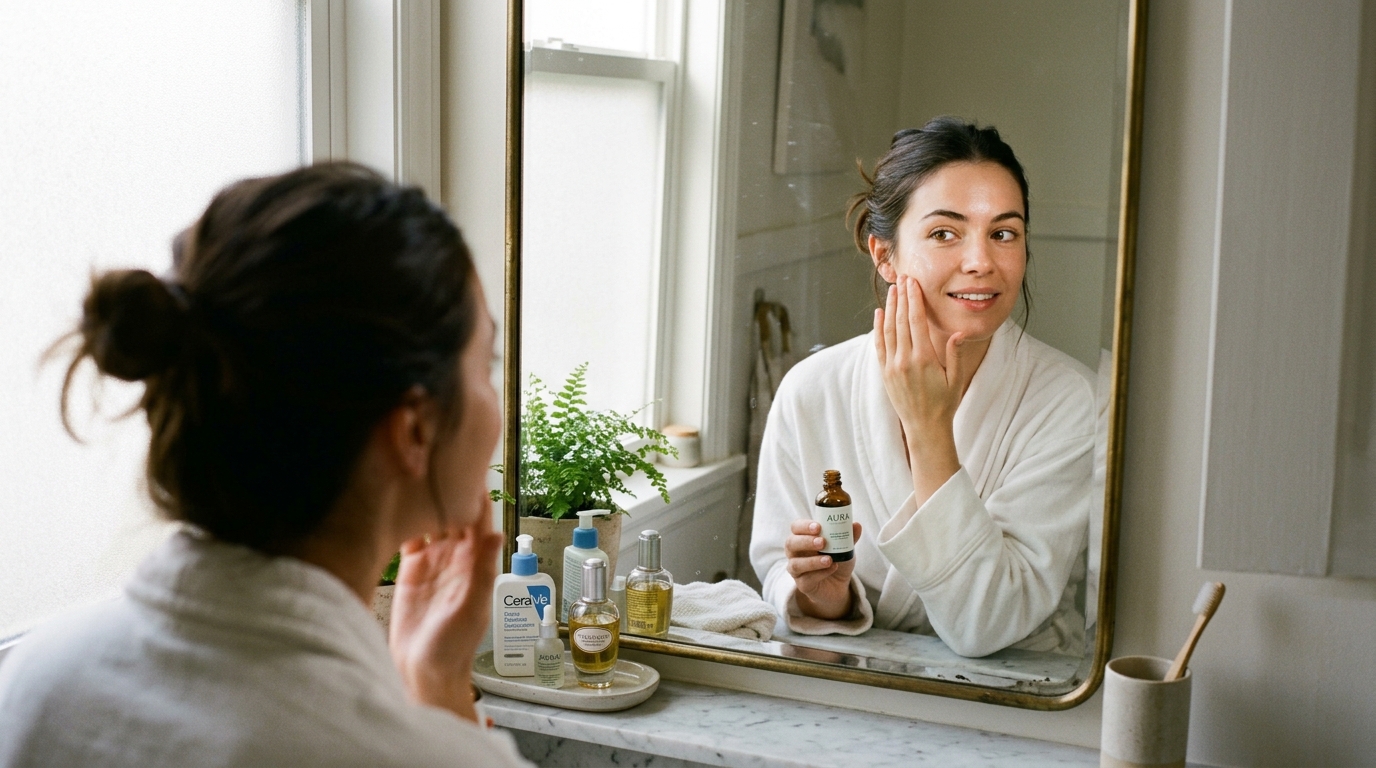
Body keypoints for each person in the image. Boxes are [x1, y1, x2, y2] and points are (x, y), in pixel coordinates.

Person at [0, 164, 531, 767]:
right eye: (485, 365)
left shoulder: (37, 684)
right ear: (415, 427)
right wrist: (439, 704)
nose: (497, 404)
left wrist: (425, 680)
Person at [750, 117, 1094, 658]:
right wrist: (825, 599)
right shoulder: (811, 391)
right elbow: (777, 567)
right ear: (883, 254)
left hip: (1022, 695)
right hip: (857, 682)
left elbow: (988, 623)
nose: (982, 262)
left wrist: (930, 428)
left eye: (1004, 233)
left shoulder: (1069, 399)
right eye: (944, 233)